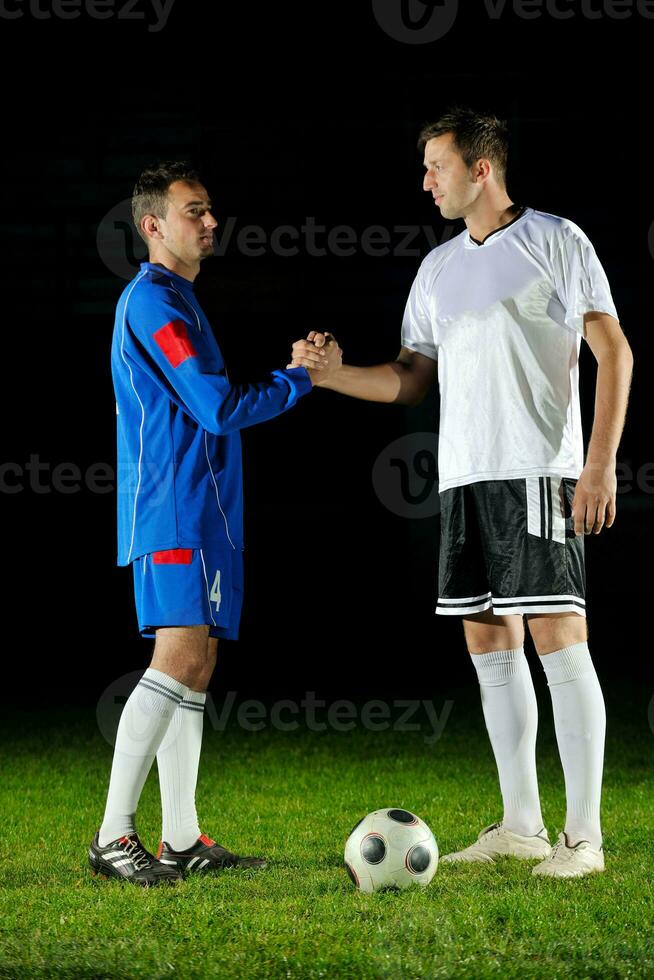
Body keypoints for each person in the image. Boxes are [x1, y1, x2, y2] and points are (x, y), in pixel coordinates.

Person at [289, 106, 633, 879]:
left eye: (436, 166)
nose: (426, 181)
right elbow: (411, 379)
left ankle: (585, 839)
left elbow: (614, 352)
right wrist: (330, 373)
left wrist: (600, 464)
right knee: (488, 643)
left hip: (540, 471)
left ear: (481, 168)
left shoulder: (556, 240)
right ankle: (522, 824)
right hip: (464, 478)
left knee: (558, 640)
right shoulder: (438, 268)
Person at [89, 162, 341, 887]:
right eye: (193, 211)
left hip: (202, 513)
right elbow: (216, 406)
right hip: (174, 511)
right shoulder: (151, 302)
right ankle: (113, 835)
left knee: (197, 667)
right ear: (152, 226)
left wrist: (295, 375)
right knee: (175, 661)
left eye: (209, 211)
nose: (209, 222)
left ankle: (180, 839)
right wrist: (300, 377)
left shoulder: (178, 299)